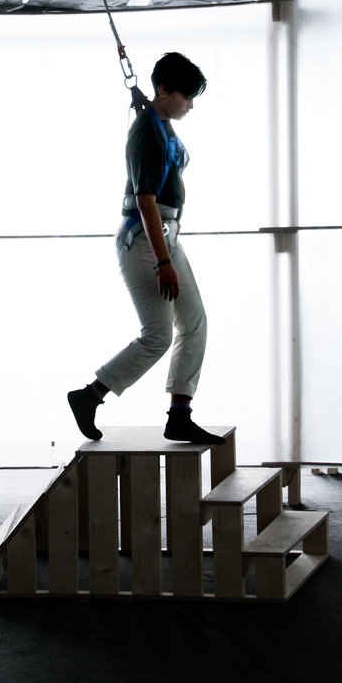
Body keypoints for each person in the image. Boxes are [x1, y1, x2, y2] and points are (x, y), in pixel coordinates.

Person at [67, 52, 225, 445]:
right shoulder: (146, 131)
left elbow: (165, 140)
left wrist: (150, 108)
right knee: (157, 334)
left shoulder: (160, 122)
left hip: (166, 235)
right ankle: (90, 395)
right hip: (143, 239)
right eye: (185, 96)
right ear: (164, 90)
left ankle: (179, 415)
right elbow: (145, 201)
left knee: (194, 322)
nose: (190, 104)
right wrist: (164, 261)